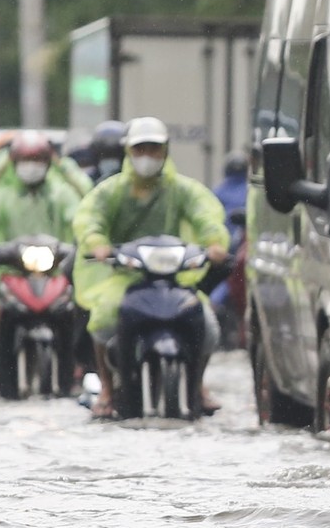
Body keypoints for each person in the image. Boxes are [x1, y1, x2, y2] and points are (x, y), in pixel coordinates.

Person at [71, 116, 229, 419]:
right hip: (124, 275)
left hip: (173, 274)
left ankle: (198, 385)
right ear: (129, 152)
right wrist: (97, 242)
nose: (148, 156)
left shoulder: (180, 189)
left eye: (154, 149)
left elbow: (205, 212)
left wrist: (214, 242)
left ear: (166, 151)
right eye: (141, 149)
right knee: (104, 316)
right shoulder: (113, 190)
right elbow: (90, 217)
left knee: (206, 322)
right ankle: (106, 387)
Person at [0, 130, 84, 378]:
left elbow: (79, 218)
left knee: (80, 303)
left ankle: (80, 358)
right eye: (25, 161)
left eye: (39, 161)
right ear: (14, 163)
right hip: (10, 269)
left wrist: (87, 241)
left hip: (54, 271)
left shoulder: (60, 193)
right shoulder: (1, 195)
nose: (32, 167)